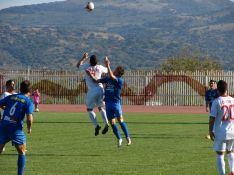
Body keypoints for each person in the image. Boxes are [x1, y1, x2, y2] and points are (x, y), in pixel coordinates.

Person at [87, 57, 131, 147]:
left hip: (116, 104)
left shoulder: (119, 80)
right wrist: (90, 75)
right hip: (108, 104)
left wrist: (107, 65)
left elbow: (112, 76)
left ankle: (128, 137)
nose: (113, 71)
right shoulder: (108, 78)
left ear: (119, 73)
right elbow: (97, 81)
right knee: (112, 123)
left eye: (115, 71)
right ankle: (119, 138)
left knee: (120, 120)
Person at [0, 80, 34, 175]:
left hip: (3, 126)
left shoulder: (11, 97)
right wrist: (29, 128)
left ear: (20, 88)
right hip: (15, 129)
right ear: (30, 91)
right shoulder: (28, 102)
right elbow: (29, 119)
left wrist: (5, 110)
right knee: (22, 152)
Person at [77, 53, 109, 136]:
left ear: (90, 61)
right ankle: (106, 123)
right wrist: (107, 63)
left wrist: (83, 58)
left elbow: (78, 65)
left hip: (92, 91)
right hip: (100, 89)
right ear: (96, 61)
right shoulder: (99, 67)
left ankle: (96, 125)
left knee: (89, 109)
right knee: (101, 108)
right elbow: (107, 70)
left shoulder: (87, 66)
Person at [209, 80, 234, 175]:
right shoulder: (233, 100)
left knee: (220, 154)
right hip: (232, 131)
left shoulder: (216, 101)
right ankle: (232, 171)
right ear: (227, 89)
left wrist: (210, 131)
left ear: (217, 90)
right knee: (230, 151)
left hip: (221, 132)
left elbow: (212, 118)